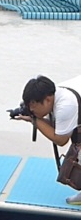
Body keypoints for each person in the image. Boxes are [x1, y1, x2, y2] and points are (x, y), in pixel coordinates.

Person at [19, 75, 81, 204]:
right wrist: (36, 118)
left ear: (47, 100)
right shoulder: (52, 93)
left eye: (33, 106)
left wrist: (34, 120)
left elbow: (61, 139)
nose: (31, 110)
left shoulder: (65, 105)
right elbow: (63, 126)